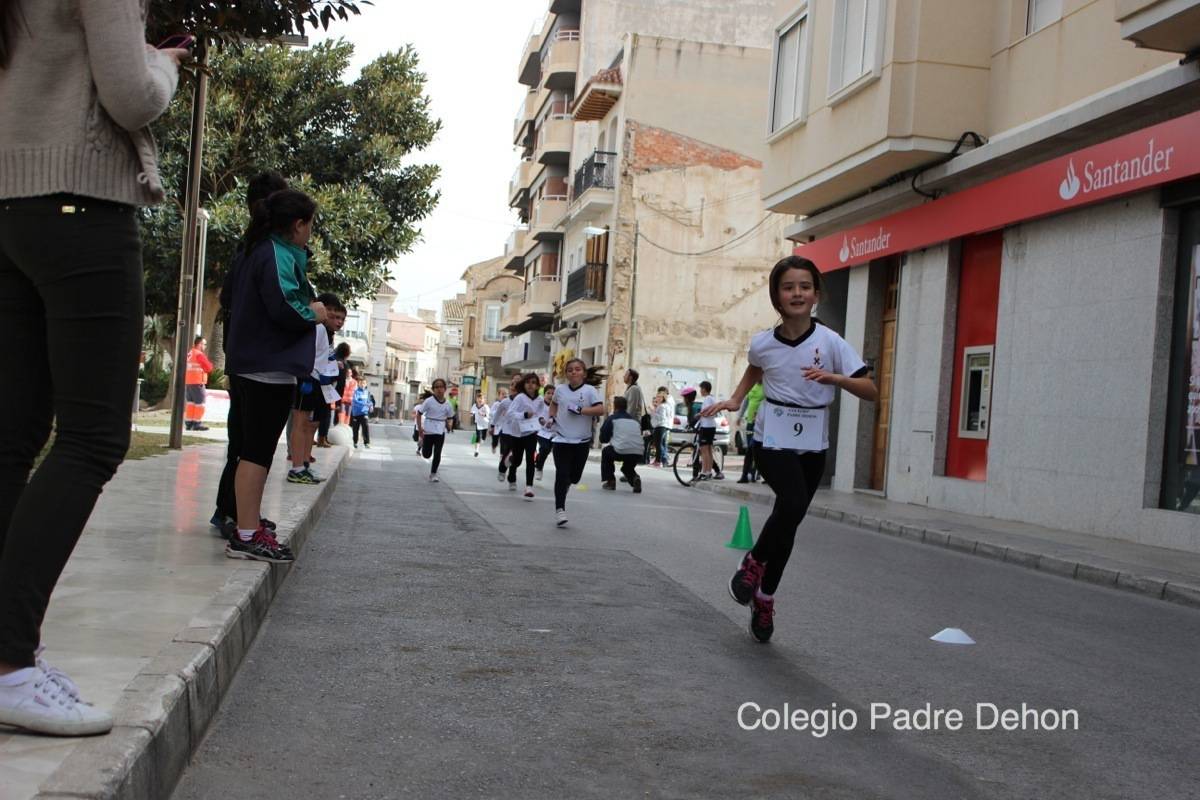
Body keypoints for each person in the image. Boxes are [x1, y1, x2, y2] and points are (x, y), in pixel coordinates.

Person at [0, 0, 186, 736]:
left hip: (10, 210)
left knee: (12, 440)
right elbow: (130, 96)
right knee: (92, 437)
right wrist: (161, 65)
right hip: (81, 207)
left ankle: (9, 657)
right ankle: (11, 663)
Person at [703, 255, 877, 644]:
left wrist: (834, 377)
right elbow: (755, 367)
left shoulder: (831, 342)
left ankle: (764, 597)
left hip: (813, 441)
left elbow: (870, 390)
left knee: (789, 519)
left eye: (804, 286)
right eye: (788, 287)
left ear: (816, 293)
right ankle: (753, 563)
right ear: (776, 297)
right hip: (773, 437)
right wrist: (735, 399)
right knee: (794, 502)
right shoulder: (763, 342)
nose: (796, 293)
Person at [221, 188, 324, 565]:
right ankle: (247, 533)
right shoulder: (276, 254)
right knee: (256, 453)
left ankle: (247, 525)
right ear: (298, 225)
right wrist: (314, 311)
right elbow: (285, 306)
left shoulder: (254, 250)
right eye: (310, 226)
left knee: (253, 451)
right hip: (267, 367)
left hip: (252, 362)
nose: (310, 233)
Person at [212, 171, 290, 532]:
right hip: (254, 363)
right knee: (250, 446)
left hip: (240, 358)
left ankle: (238, 513)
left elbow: (228, 300)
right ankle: (234, 515)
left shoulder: (249, 247)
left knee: (244, 443)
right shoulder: (262, 250)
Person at [286, 292, 344, 484]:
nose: (331, 317)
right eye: (330, 312)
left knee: (307, 424)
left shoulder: (322, 330)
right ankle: (296, 467)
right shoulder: (314, 326)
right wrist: (308, 376)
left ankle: (303, 464)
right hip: (307, 378)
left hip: (315, 379)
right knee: (300, 423)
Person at [547, 359, 604, 527]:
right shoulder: (560, 390)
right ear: (566, 374)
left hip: (581, 441)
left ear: (584, 374)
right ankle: (560, 510)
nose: (573, 372)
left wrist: (581, 410)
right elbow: (553, 404)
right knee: (561, 474)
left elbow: (600, 410)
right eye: (570, 370)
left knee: (575, 477)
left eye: (577, 369)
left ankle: (566, 486)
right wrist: (551, 418)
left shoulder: (590, 391)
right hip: (561, 439)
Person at [505, 373, 543, 499]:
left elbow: (541, 415)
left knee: (530, 460)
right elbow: (510, 414)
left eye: (533, 382)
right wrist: (524, 415)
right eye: (527, 382)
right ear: (524, 384)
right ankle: (511, 474)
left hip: (531, 433)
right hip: (518, 433)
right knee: (517, 460)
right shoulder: (520, 398)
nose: (530, 385)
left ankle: (529, 487)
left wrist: (542, 421)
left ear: (537, 385)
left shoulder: (540, 400)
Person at [600, 396, 644, 493]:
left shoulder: (612, 419)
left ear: (615, 407)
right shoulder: (634, 421)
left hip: (621, 450)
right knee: (627, 467)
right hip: (638, 452)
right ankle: (634, 478)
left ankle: (610, 481)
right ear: (626, 407)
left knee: (606, 452)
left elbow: (603, 439)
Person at [416, 378, 454, 481]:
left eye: (441, 387)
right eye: (436, 387)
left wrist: (449, 425)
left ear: (445, 389)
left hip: (440, 431)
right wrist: (420, 429)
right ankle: (422, 443)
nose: (439, 389)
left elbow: (450, 417)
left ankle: (433, 474)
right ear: (433, 389)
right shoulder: (429, 401)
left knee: (437, 453)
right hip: (428, 430)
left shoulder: (448, 404)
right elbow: (419, 414)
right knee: (427, 455)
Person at [737, 383, 765, 483]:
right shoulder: (752, 385)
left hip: (762, 423)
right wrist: (739, 416)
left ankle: (755, 473)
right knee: (750, 449)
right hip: (750, 422)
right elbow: (745, 402)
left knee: (758, 450)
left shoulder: (767, 386)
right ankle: (746, 474)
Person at [185, 336, 214, 431]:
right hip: (197, 382)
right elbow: (209, 368)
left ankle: (189, 423)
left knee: (191, 403)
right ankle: (197, 423)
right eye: (204, 344)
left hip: (189, 382)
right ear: (200, 344)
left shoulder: (190, 353)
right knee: (200, 403)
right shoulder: (199, 354)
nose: (205, 346)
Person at [694, 381, 721, 483]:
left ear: (704, 389)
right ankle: (708, 471)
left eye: (701, 389)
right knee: (708, 450)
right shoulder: (711, 398)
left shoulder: (708, 399)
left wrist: (700, 414)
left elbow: (709, 412)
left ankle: (705, 472)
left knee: (704, 450)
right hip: (709, 426)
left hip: (707, 427)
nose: (700, 391)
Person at [533, 384, 556, 481]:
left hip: (554, 432)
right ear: (544, 394)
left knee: (546, 451)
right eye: (548, 393)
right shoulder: (540, 403)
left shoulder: (557, 404)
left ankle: (538, 460)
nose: (550, 395)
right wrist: (542, 421)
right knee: (544, 448)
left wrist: (552, 420)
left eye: (553, 393)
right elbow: (538, 415)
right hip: (541, 431)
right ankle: (539, 468)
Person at [649, 386, 673, 467]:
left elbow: (661, 417)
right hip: (660, 426)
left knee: (659, 444)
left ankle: (660, 460)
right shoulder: (662, 405)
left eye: (659, 397)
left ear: (663, 398)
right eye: (657, 396)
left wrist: (653, 411)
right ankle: (659, 460)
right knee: (659, 444)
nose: (657, 398)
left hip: (661, 426)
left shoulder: (663, 406)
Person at [350, 370, 373, 449]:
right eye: (361, 383)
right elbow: (355, 401)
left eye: (364, 383)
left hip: (364, 413)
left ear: (366, 384)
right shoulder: (356, 392)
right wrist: (364, 404)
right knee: (355, 429)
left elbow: (369, 401)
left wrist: (371, 406)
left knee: (365, 427)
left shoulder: (367, 392)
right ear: (358, 384)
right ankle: (355, 442)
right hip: (356, 413)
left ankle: (367, 443)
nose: (362, 385)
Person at [489, 388, 508, 455]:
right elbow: (491, 413)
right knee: (495, 440)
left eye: (505, 394)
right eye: (502, 394)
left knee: (503, 442)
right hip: (496, 426)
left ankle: (502, 455)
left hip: (504, 426)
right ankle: (494, 446)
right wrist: (498, 412)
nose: (504, 396)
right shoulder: (496, 404)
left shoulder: (507, 404)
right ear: (498, 396)